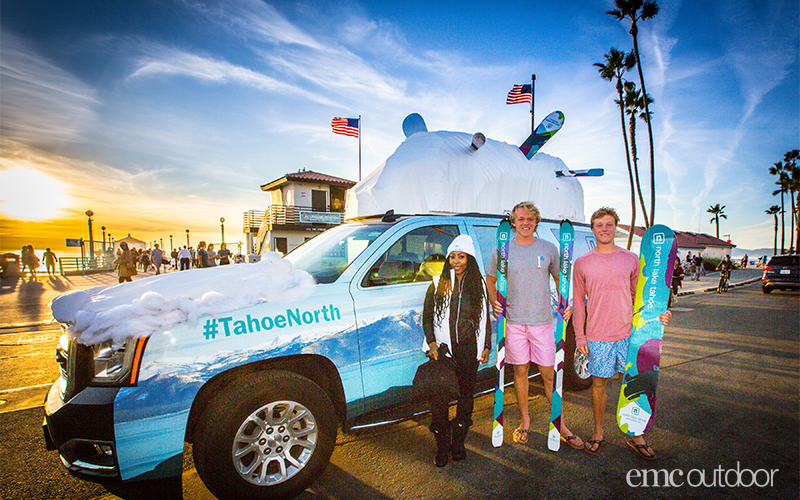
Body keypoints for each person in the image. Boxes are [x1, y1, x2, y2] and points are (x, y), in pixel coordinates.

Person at [573, 207, 671, 461]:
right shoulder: (582, 263)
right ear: (592, 229)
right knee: (599, 384)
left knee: (630, 384)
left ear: (615, 227)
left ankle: (635, 434)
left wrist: (658, 316)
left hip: (630, 335)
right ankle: (598, 433)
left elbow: (642, 298)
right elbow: (578, 303)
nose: (604, 228)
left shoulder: (631, 259)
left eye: (608, 224)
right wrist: (580, 338)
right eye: (599, 224)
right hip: (597, 336)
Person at [486, 202, 584, 449]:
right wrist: (493, 298)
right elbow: (490, 277)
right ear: (513, 223)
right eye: (520, 219)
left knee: (549, 374)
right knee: (520, 372)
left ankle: (560, 425)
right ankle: (525, 420)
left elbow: (560, 278)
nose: (525, 223)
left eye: (530, 219)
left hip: (542, 322)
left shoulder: (549, 248)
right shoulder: (503, 251)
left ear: (536, 222)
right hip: (514, 322)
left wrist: (566, 304)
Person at [422, 235, 491, 467]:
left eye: (461, 257)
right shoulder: (437, 283)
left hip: (468, 350)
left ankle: (458, 442)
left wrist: (486, 345)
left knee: (465, 397)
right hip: (443, 352)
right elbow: (427, 317)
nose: (456, 261)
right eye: (452, 256)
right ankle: (442, 445)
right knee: (439, 399)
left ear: (469, 259)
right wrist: (432, 343)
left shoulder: (478, 284)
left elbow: (484, 318)